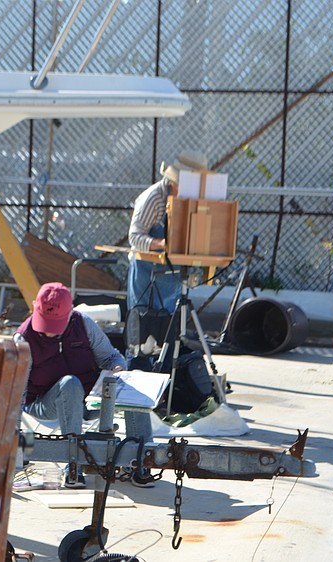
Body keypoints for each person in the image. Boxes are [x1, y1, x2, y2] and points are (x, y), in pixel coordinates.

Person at [14, 283, 154, 489]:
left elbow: (112, 357)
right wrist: (12, 438)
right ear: (35, 308)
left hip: (92, 398)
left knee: (136, 380)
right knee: (70, 384)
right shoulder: (23, 339)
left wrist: (117, 368)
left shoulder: (84, 324)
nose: (50, 333)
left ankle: (141, 460)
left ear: (71, 313)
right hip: (44, 401)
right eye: (45, 324)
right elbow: (15, 393)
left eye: (56, 325)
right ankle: (73, 466)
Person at [127, 151, 209, 314]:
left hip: (173, 276)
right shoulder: (154, 198)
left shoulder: (190, 199)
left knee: (168, 327)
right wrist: (163, 244)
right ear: (174, 182)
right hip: (146, 275)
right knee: (143, 324)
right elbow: (134, 237)